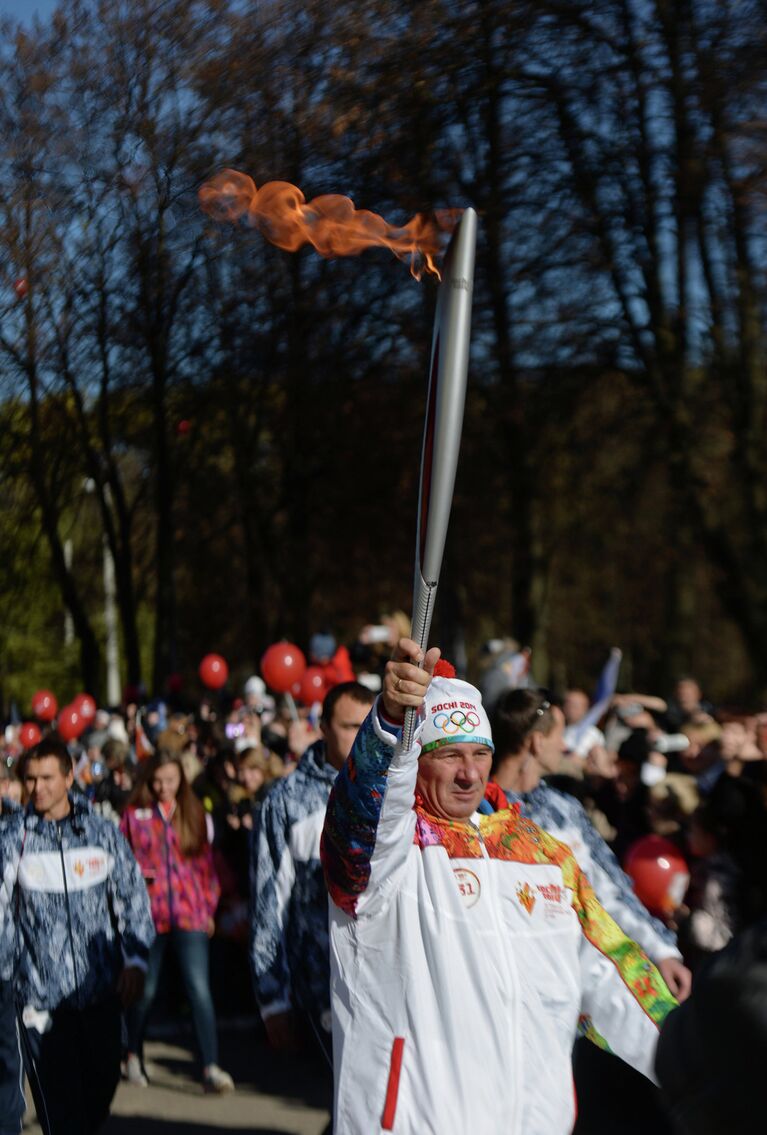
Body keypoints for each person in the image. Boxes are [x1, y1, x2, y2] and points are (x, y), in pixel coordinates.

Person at [321, 641, 677, 1135]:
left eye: (479, 754)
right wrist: (387, 724)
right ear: (417, 761)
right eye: (449, 756)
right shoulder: (392, 856)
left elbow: (614, 968)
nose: (469, 774)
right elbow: (362, 816)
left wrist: (705, 1068)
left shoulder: (545, 857)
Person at [490, 687, 691, 999]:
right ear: (536, 741)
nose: (564, 744)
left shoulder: (562, 810)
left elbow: (611, 888)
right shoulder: (482, 812)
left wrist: (661, 949)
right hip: (501, 984)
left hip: (571, 988)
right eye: (559, 734)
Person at [0, 736, 154, 1135]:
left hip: (101, 992)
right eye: (31, 779)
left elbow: (132, 897)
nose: (38, 788)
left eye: (48, 778)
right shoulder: (11, 837)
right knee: (63, 1117)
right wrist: (11, 976)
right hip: (41, 1002)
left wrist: (136, 960)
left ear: (69, 777)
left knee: (97, 1098)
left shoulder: (101, 832)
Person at [251, 680, 375, 1054]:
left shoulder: (394, 790)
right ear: (322, 729)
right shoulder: (287, 801)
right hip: (321, 988)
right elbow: (269, 902)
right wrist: (273, 998)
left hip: (383, 984)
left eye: (368, 726)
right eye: (351, 726)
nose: (362, 736)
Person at [120, 750, 233, 1093]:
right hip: (148, 918)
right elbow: (123, 868)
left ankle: (211, 1065)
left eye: (170, 780)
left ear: (181, 779)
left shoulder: (195, 811)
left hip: (190, 914)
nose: (163, 787)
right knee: (145, 989)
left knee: (199, 988)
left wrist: (208, 908)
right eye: (156, 780)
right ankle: (132, 1054)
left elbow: (208, 867)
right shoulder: (133, 816)